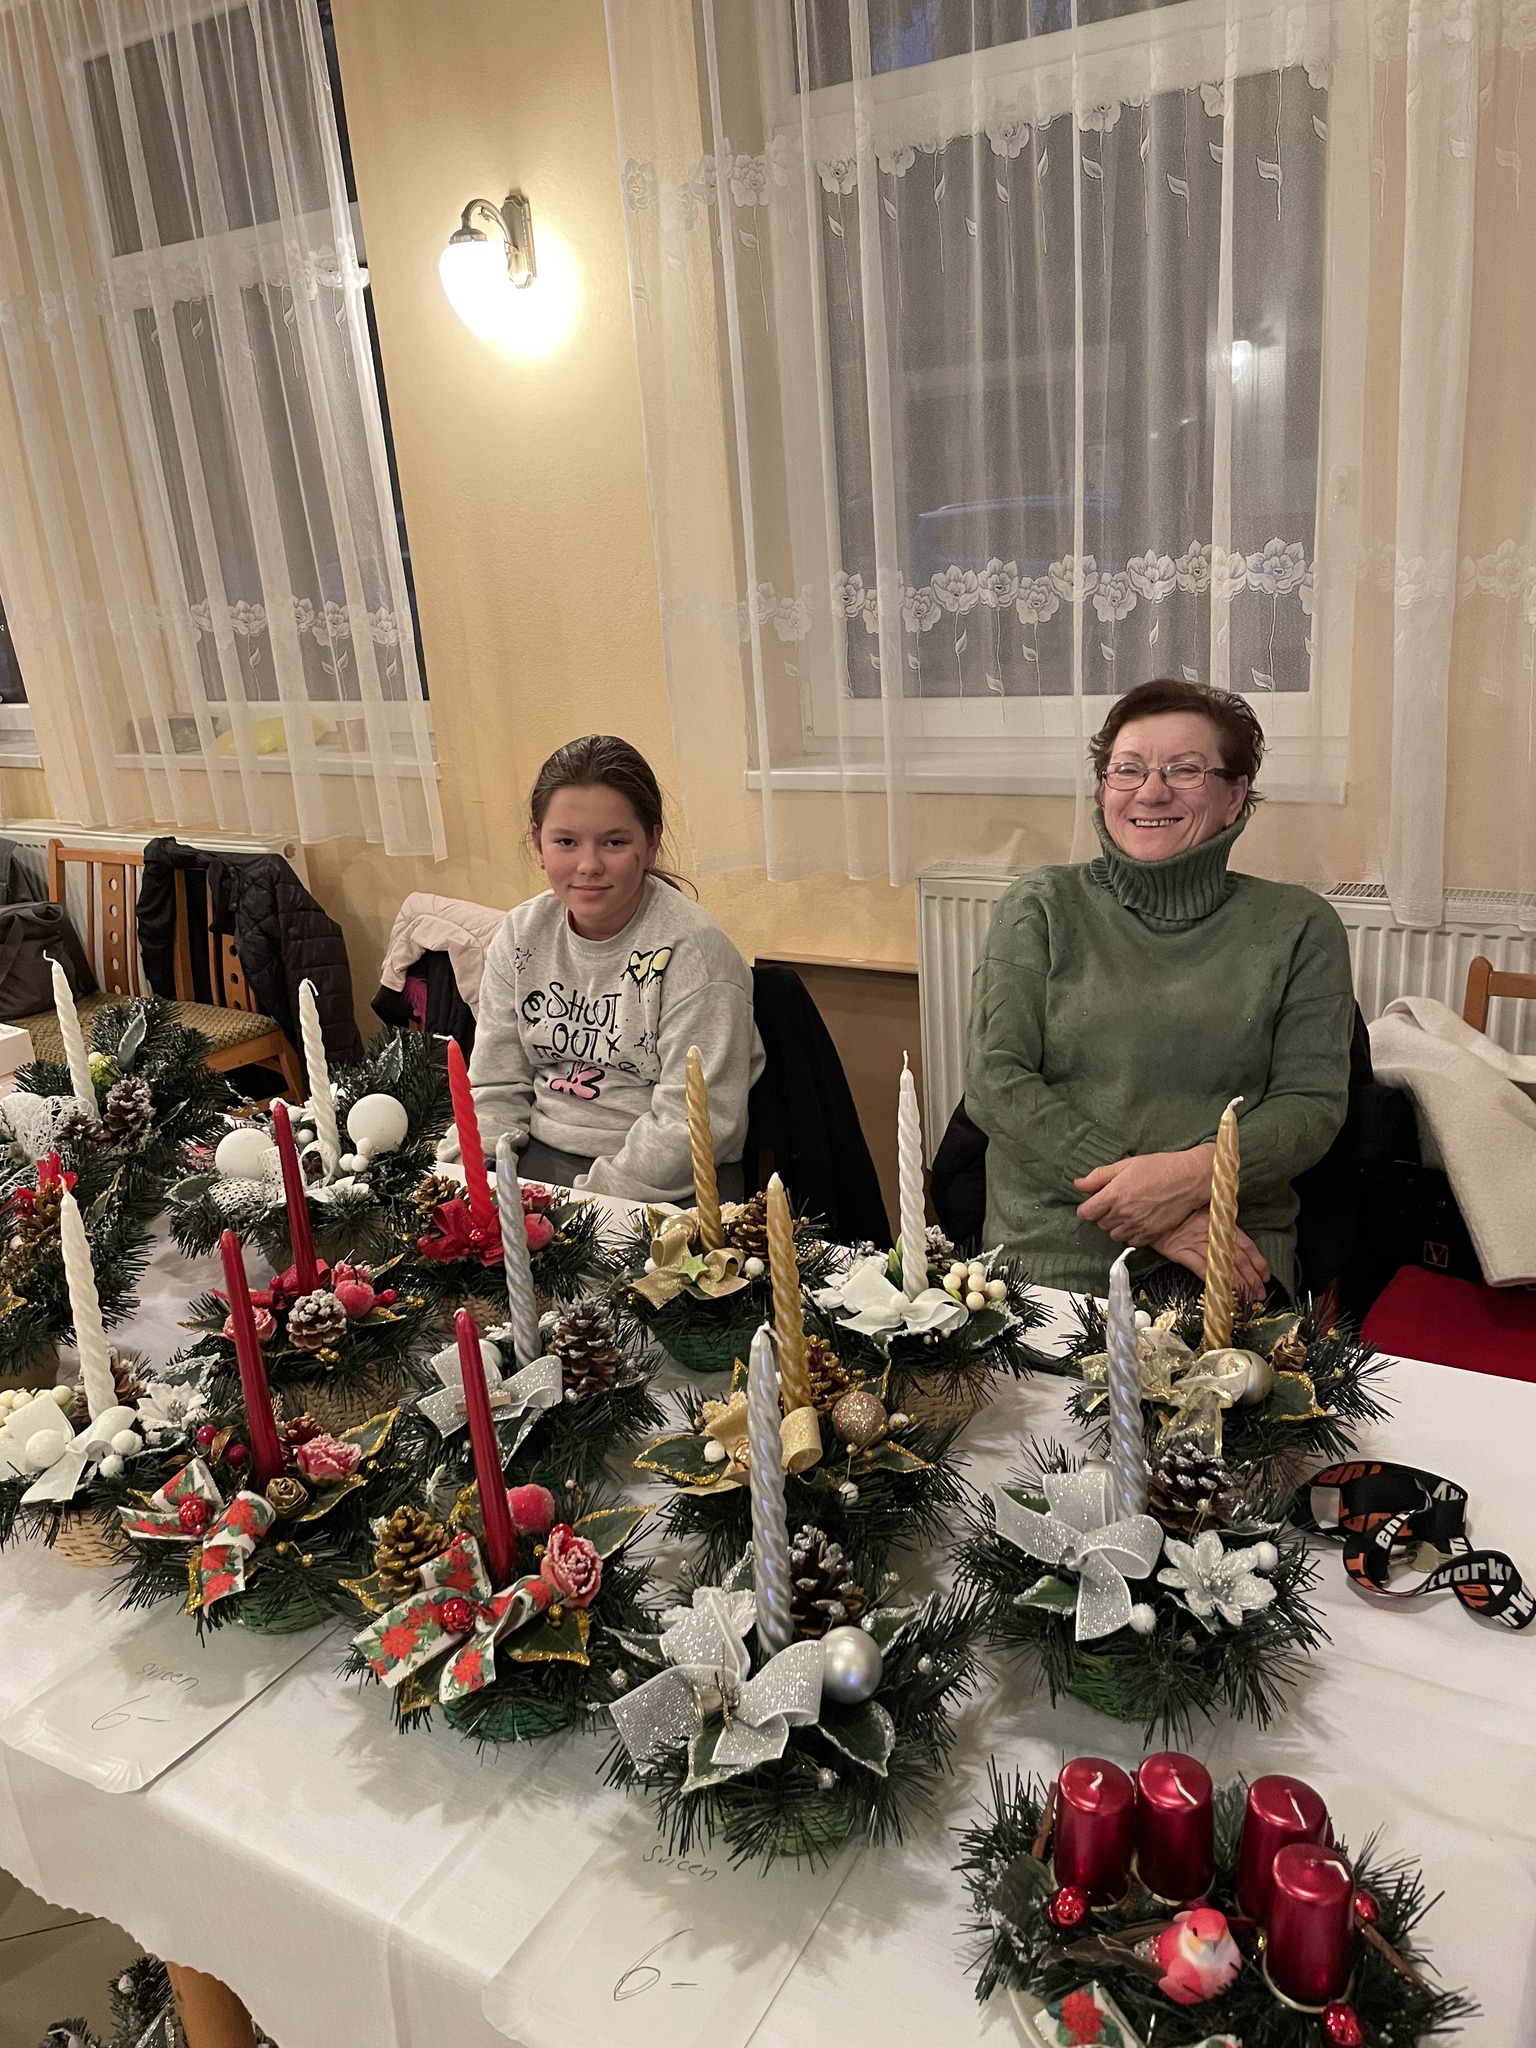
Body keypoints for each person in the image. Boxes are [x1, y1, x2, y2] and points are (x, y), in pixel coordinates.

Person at [965, 679, 1354, 1299]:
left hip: (1226, 1249)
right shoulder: (1040, 907)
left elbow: (1309, 1106)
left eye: (1185, 769)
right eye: (1128, 769)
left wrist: (1189, 1179)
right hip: (1057, 1248)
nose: (1151, 791)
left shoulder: (1301, 927)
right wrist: (1149, 1207)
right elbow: (996, 1079)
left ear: (1235, 796)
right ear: (1103, 789)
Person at [458, 735, 764, 1202]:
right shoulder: (521, 934)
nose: (588, 865)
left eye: (614, 842)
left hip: (666, 1181)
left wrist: (584, 1207)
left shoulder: (696, 955)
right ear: (538, 842)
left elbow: (692, 1125)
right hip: (538, 1160)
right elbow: (496, 1086)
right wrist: (469, 1180)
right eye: (566, 841)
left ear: (651, 843)